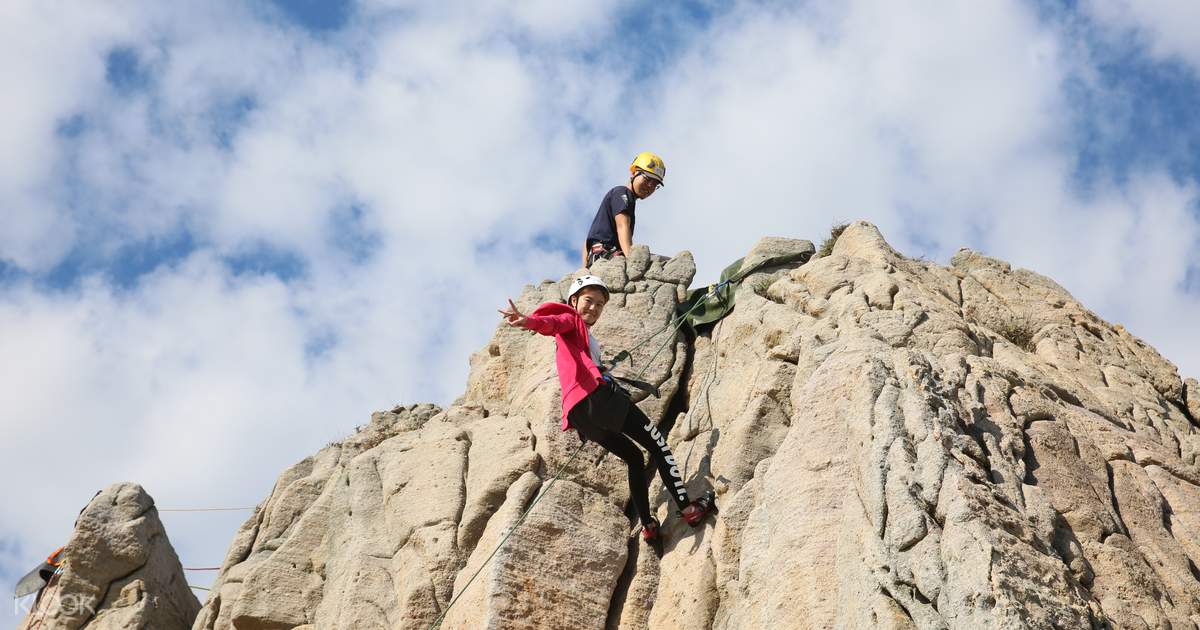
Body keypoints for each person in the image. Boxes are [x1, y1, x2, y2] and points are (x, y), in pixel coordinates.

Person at [498, 274, 715, 541]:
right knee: (658, 446)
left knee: (635, 458)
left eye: (600, 304)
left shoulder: (582, 338)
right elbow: (553, 323)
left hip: (581, 415)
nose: (594, 308)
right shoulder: (571, 319)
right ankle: (688, 508)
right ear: (574, 300)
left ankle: (647, 525)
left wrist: (598, 367)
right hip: (598, 399)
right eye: (589, 301)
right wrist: (528, 321)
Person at [582, 152, 666, 268]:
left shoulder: (618, 196)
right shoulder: (623, 193)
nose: (650, 186)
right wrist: (632, 262)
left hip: (599, 257)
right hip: (607, 256)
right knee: (663, 264)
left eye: (655, 184)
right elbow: (622, 227)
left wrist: (585, 270)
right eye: (647, 179)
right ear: (634, 172)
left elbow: (587, 242)